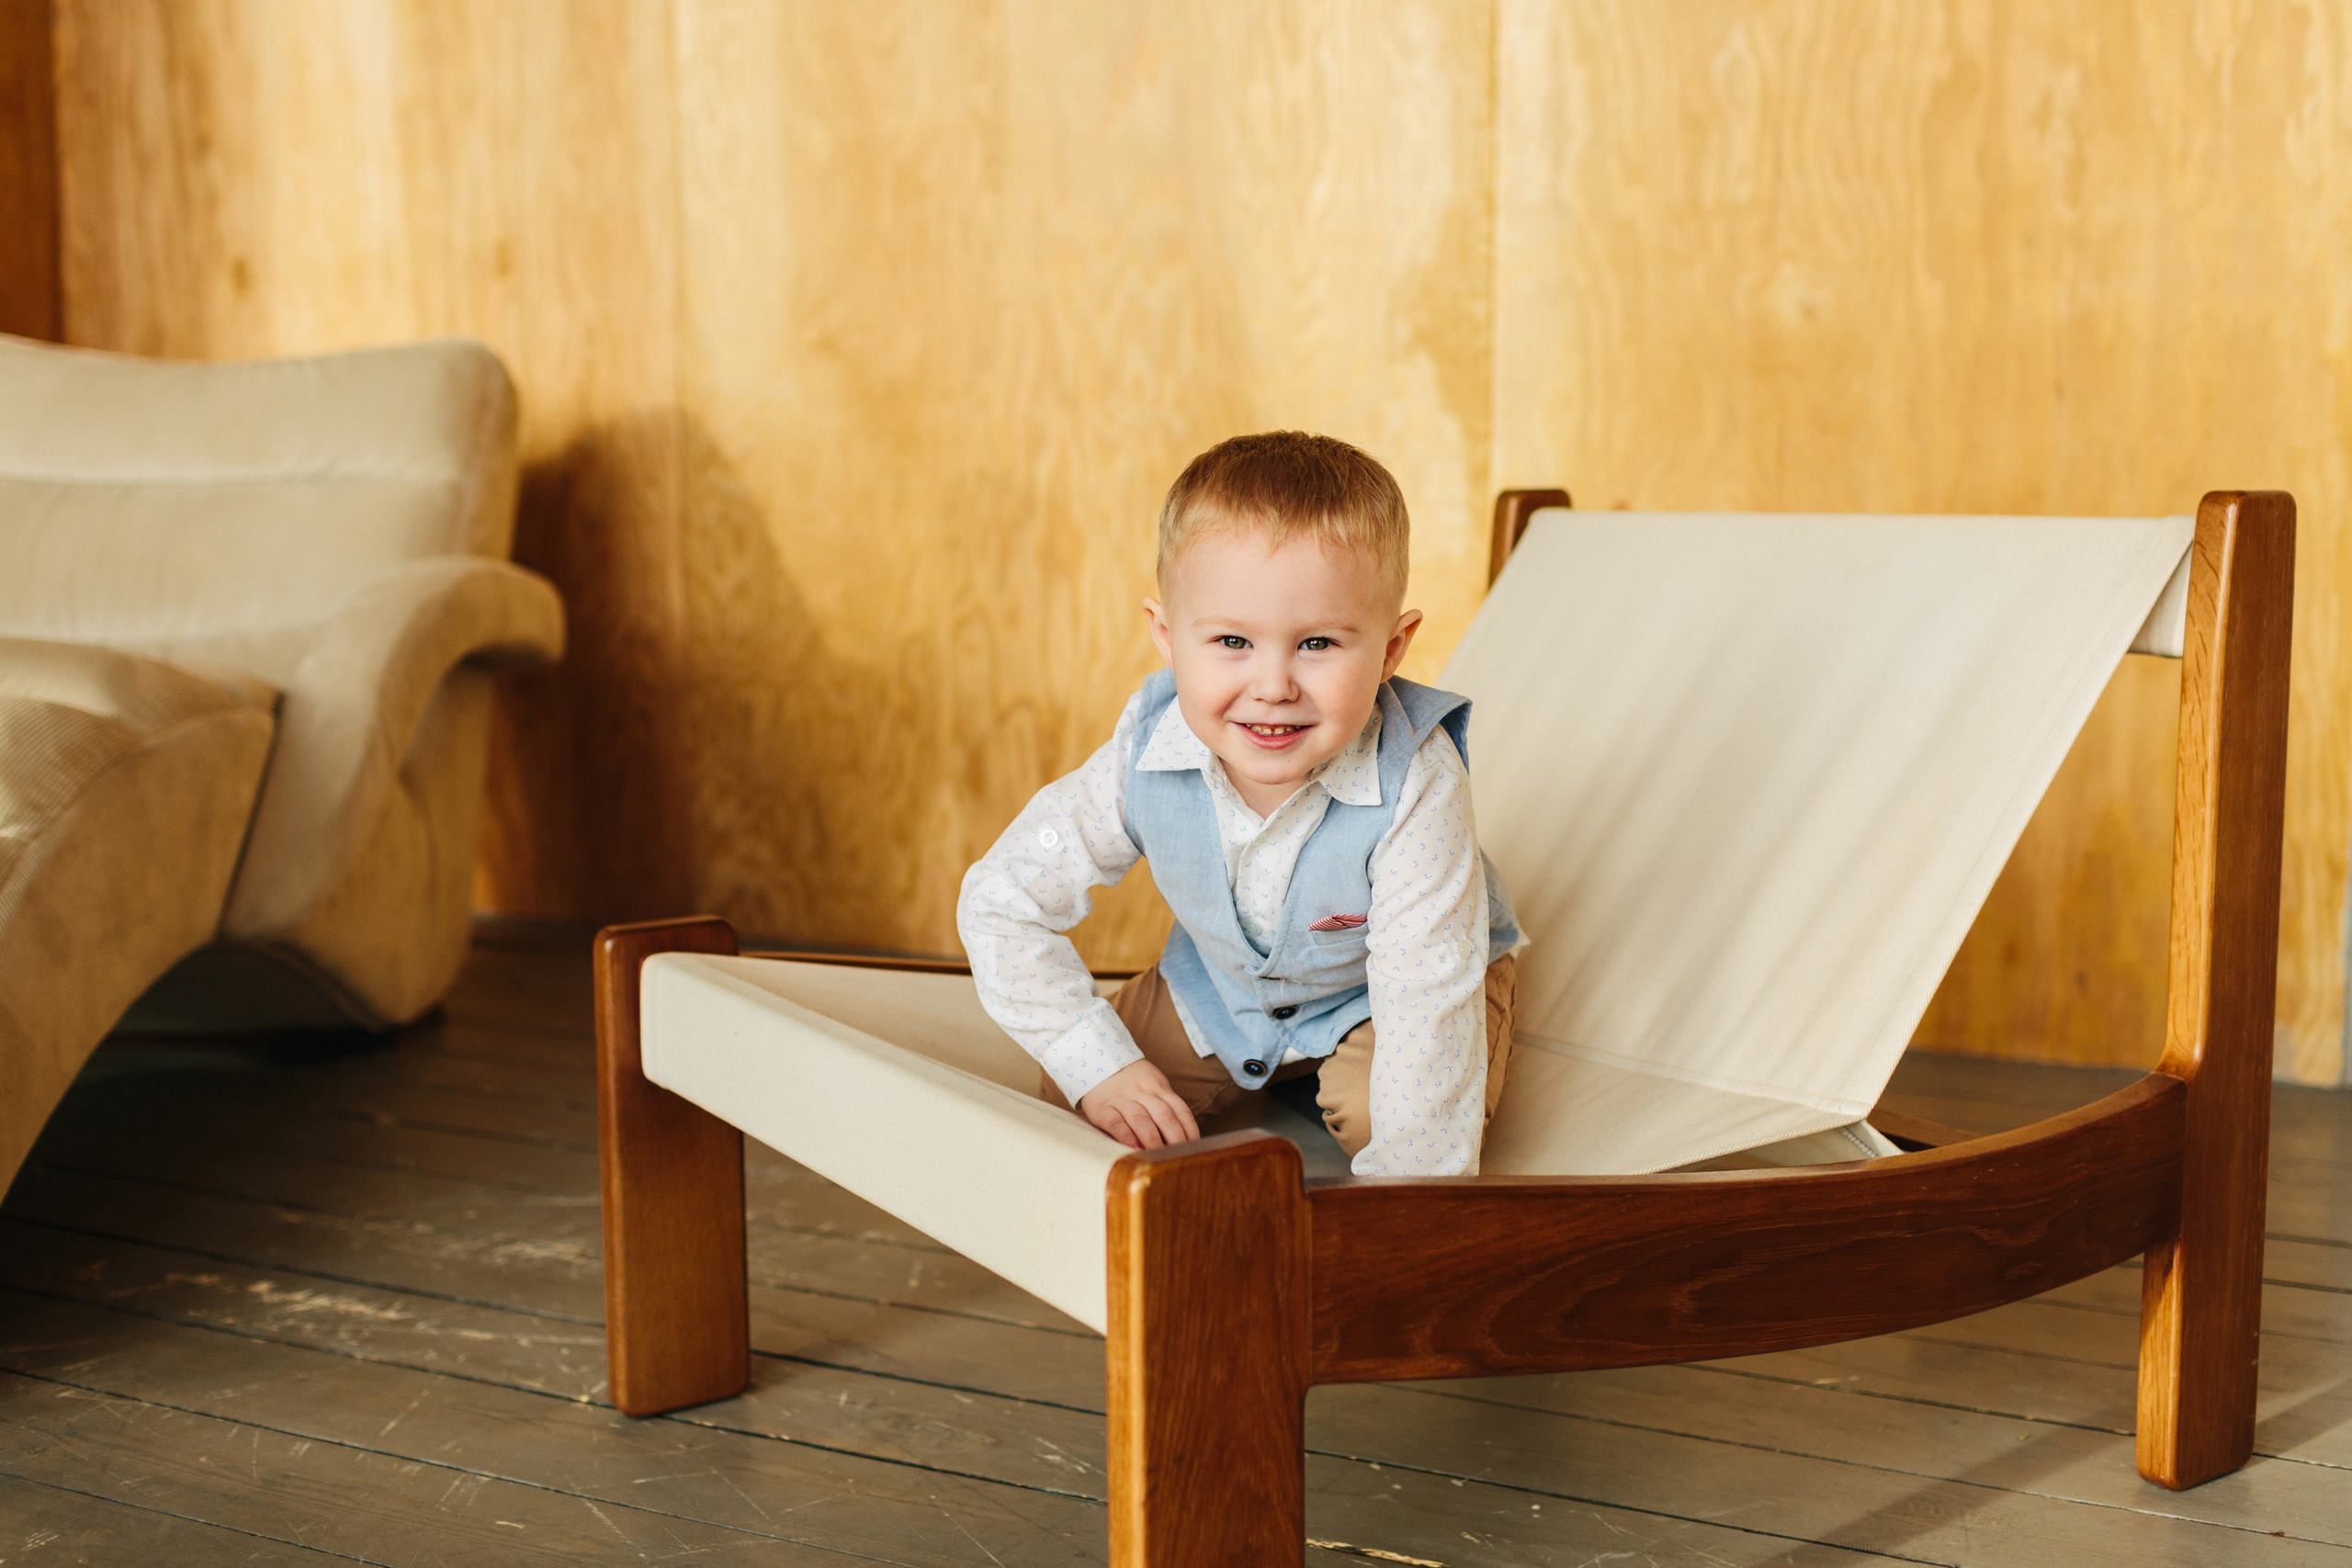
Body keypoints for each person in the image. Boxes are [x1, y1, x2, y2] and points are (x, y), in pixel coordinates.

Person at [956, 432, 1520, 1177]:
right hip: (1226, 989)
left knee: (1382, 1113)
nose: (1274, 685)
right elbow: (1001, 900)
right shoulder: (1146, 750)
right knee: (1082, 1099)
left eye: (1317, 643)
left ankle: (1327, 1083)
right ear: (1167, 637)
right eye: (1231, 640)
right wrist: (1097, 1066)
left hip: (1391, 991)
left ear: (1390, 649)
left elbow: (1424, 991)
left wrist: (1402, 1230)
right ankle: (1264, 1078)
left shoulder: (1418, 779)